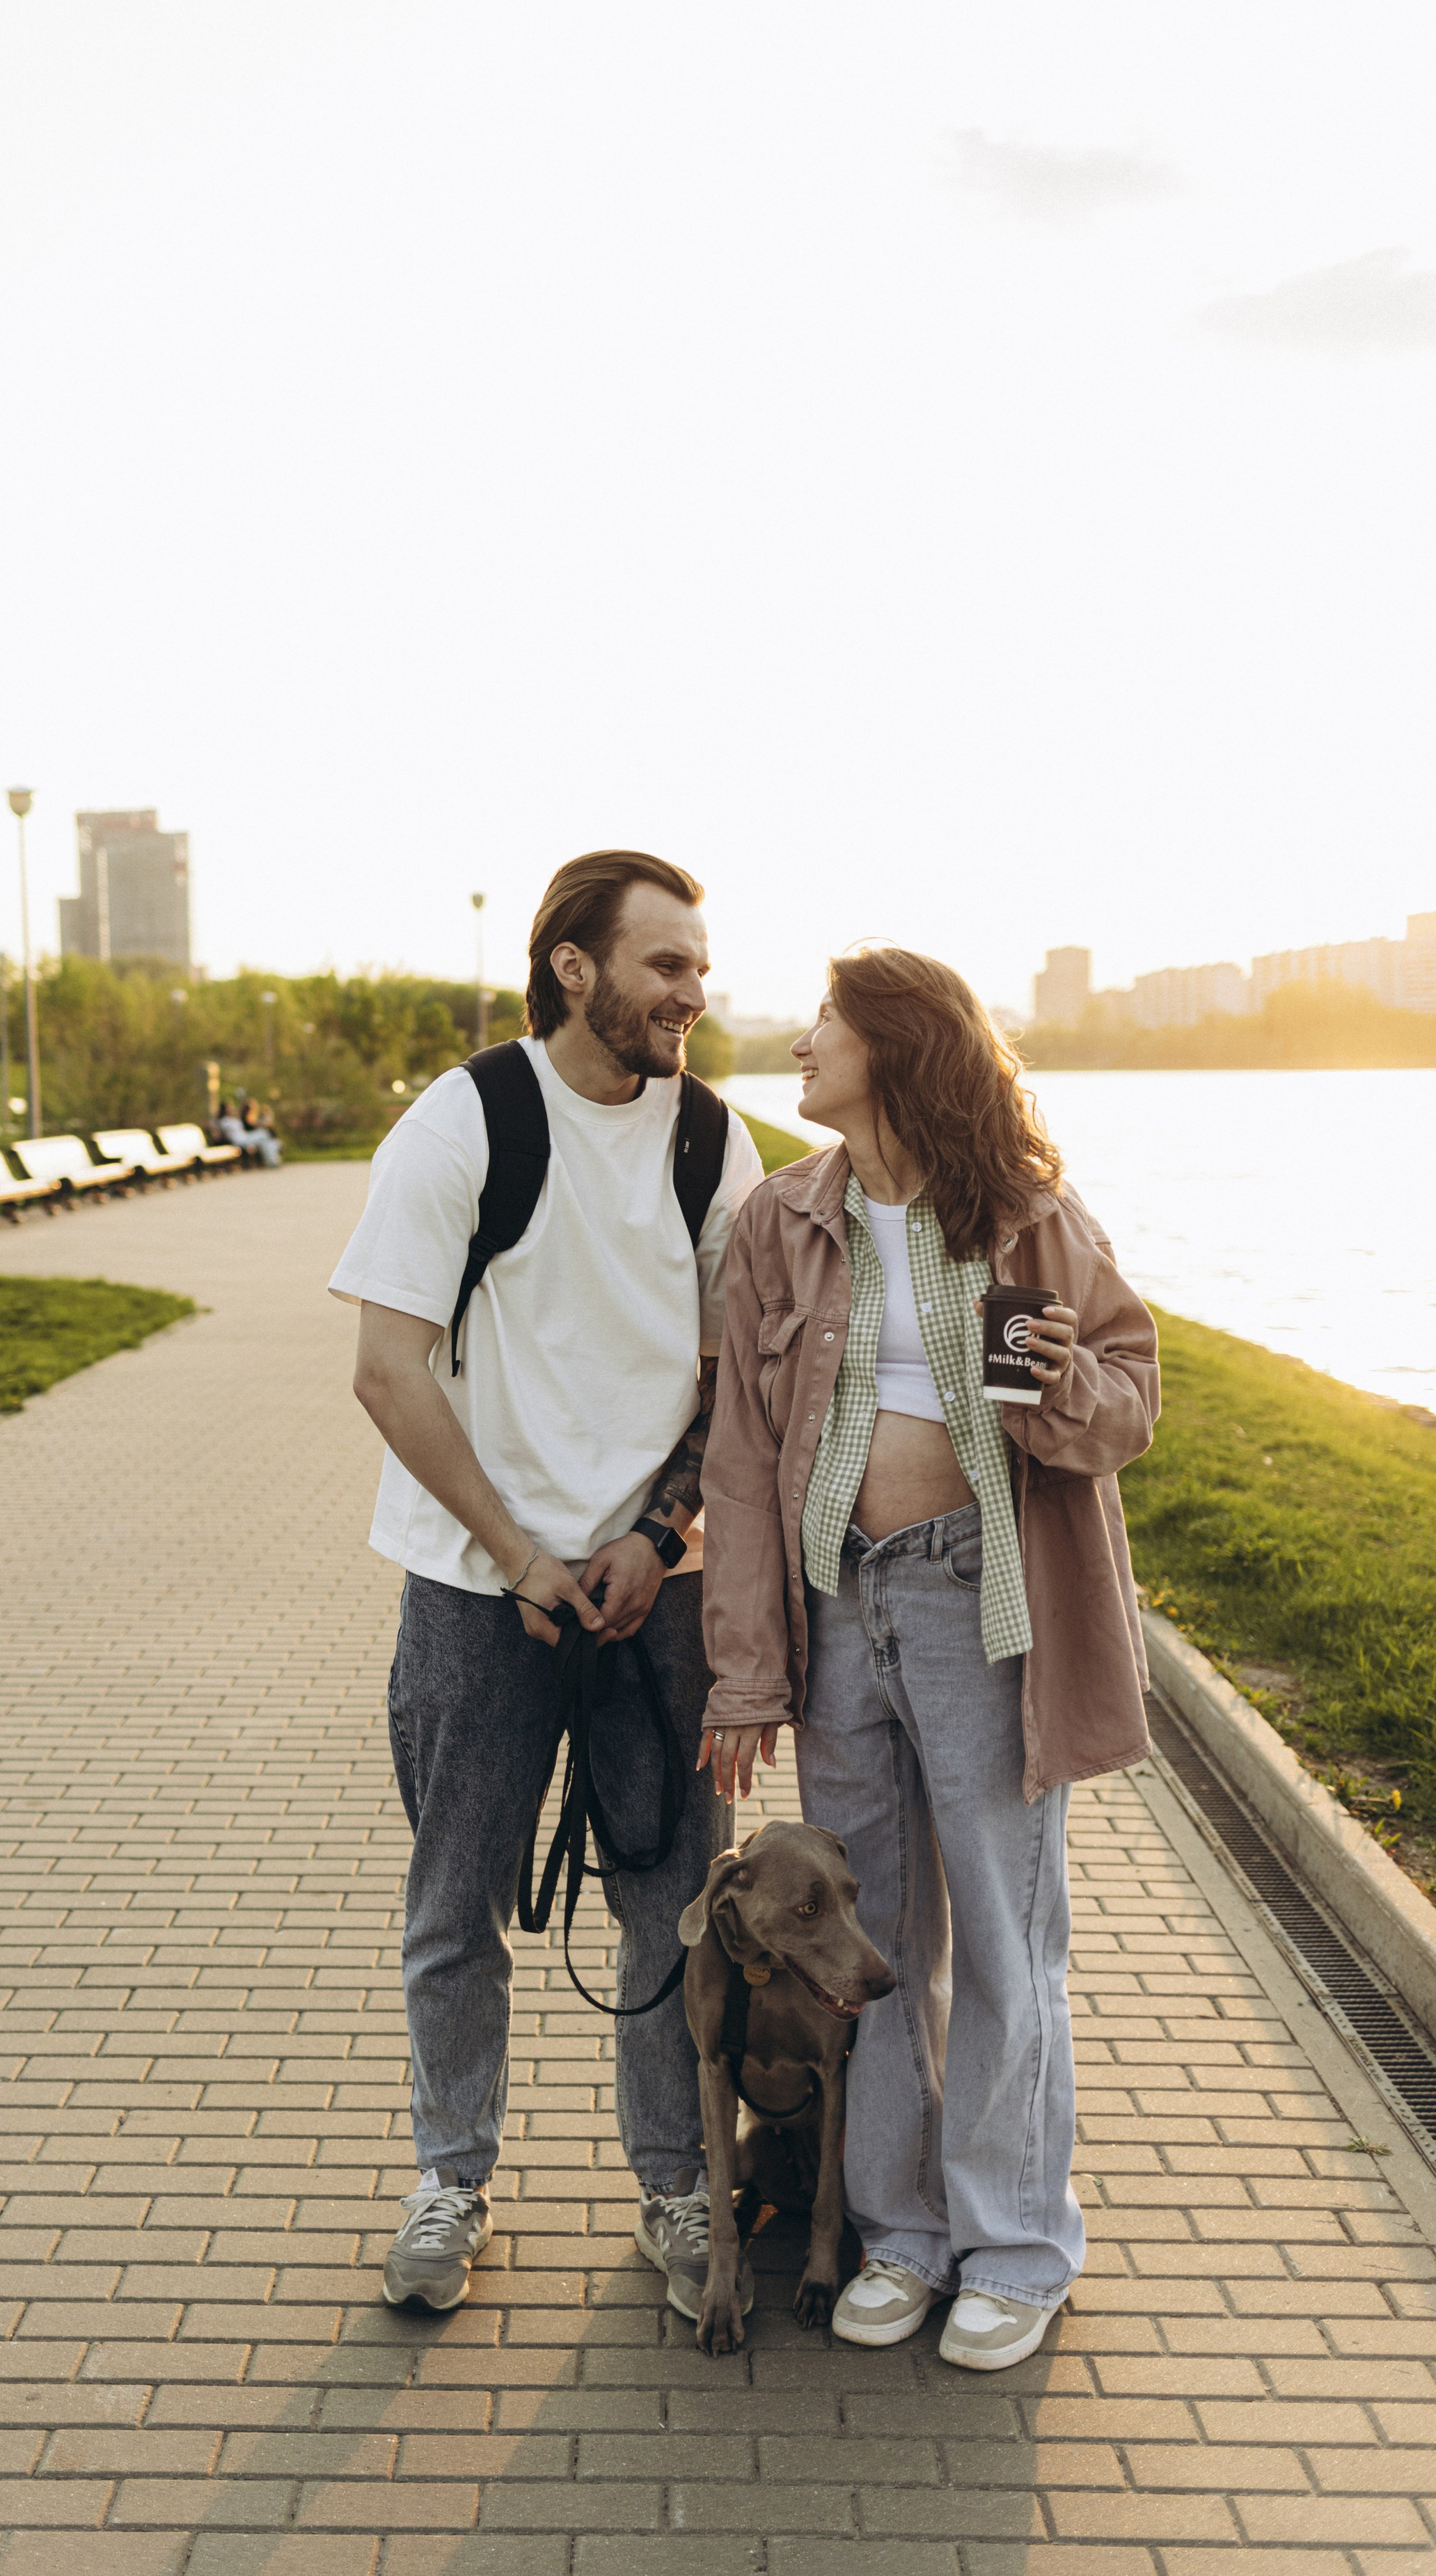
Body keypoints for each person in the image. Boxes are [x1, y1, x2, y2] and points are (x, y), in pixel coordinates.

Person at [699, 946, 1158, 2371]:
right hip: (841, 1606)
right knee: (868, 1951)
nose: (798, 1045)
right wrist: (745, 1673)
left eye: (823, 1026)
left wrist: (1058, 1384)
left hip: (979, 1609)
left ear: (894, 1050)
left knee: (1007, 1947)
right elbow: (737, 1460)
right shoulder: (779, 1219)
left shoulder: (1025, 1219)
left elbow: (1128, 1400)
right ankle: (896, 2234)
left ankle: (1014, 2246)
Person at [330, 850, 763, 2319]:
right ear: (572, 968)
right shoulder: (463, 1123)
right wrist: (519, 1555)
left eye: (697, 967)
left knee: (672, 1911)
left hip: (661, 1593)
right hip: (474, 1593)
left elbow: (733, 1383)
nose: (690, 993)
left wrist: (655, 1536)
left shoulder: (713, 1145)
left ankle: (679, 2191)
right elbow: (386, 1370)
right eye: (664, 965)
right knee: (454, 1906)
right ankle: (449, 2183)